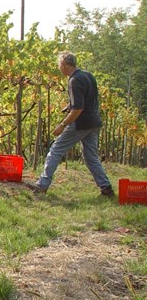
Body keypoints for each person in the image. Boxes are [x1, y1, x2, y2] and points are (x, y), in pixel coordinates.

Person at [27, 51, 114, 197]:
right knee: (91, 157)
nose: (59, 68)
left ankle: (42, 184)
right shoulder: (88, 75)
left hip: (81, 123)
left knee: (55, 150)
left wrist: (62, 125)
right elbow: (88, 99)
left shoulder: (74, 80)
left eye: (59, 64)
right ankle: (106, 188)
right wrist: (69, 106)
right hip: (94, 122)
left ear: (65, 64)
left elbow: (78, 108)